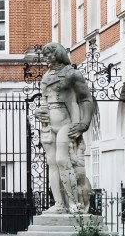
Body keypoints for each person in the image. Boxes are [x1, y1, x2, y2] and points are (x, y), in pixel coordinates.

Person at [34, 42, 96, 214]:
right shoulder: (46, 76)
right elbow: (44, 101)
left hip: (67, 124)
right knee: (52, 163)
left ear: (58, 54)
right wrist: (41, 111)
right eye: (44, 54)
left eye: (48, 54)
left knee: (62, 160)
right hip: (48, 125)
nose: (45, 58)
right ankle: (60, 204)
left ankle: (75, 203)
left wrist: (83, 123)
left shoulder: (72, 74)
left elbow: (85, 98)